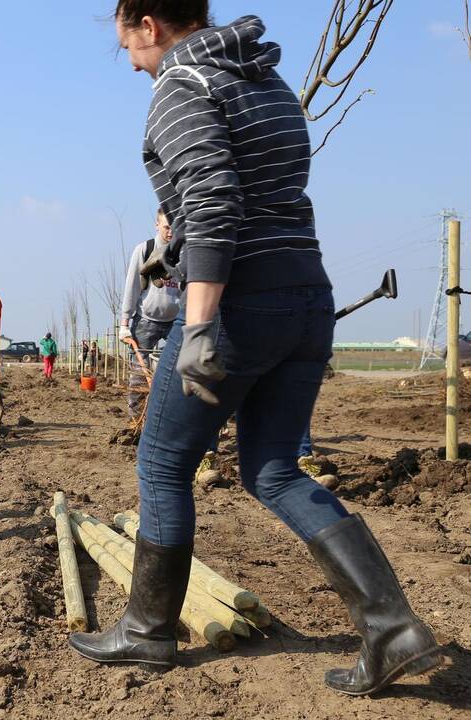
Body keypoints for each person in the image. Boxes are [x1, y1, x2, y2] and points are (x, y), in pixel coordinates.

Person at [70, 3, 438, 696]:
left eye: (127, 46)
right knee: (271, 467)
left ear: (147, 24)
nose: (130, 63)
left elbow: (211, 204)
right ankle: (391, 627)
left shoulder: (181, 88)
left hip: (239, 303)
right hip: (305, 295)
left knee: (161, 463)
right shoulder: (262, 81)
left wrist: (200, 322)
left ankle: (146, 633)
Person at [120, 209, 181, 418]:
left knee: (181, 371)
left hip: (175, 321)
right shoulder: (144, 250)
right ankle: (135, 421)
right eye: (166, 227)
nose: (171, 232)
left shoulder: (182, 252)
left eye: (174, 227)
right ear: (157, 225)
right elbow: (131, 288)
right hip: (146, 321)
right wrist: (124, 323)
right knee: (139, 373)